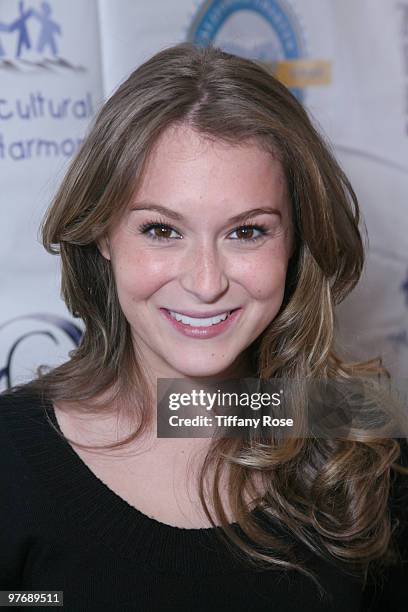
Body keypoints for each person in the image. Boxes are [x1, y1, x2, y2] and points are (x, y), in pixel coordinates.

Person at [0, 43, 407, 612]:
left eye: (247, 232)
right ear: (101, 233)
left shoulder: (358, 438)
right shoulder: (11, 457)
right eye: (163, 230)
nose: (206, 281)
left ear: (295, 242)